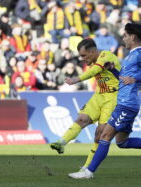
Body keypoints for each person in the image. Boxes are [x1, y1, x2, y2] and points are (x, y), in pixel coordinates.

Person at [68, 23, 141, 179]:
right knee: (122, 142)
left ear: (133, 37)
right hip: (124, 102)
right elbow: (123, 79)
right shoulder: (130, 56)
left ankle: (88, 172)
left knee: (105, 136)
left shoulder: (140, 54)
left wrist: (135, 78)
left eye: (125, 36)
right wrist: (113, 70)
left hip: (127, 103)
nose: (123, 39)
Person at [50, 38, 121, 171]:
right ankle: (61, 143)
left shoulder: (106, 56)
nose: (82, 59)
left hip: (112, 97)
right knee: (82, 118)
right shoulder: (94, 59)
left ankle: (87, 166)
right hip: (99, 95)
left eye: (84, 55)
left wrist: (76, 79)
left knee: (99, 134)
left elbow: (94, 71)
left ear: (93, 52)